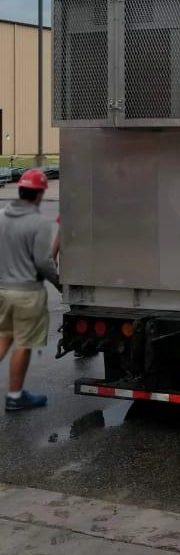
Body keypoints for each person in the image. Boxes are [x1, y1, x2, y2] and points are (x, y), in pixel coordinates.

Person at [0, 169, 61, 411]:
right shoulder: (39, 223)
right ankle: (15, 397)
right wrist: (59, 283)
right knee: (23, 344)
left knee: (4, 337)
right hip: (27, 294)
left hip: (3, 289)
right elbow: (44, 262)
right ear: (39, 194)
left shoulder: (1, 216)